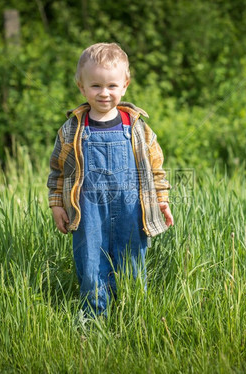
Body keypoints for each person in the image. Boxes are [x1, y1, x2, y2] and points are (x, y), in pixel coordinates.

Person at [47, 42, 174, 317]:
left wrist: (161, 201)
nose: (104, 93)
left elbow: (156, 170)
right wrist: (57, 203)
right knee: (91, 262)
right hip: (88, 209)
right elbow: (58, 170)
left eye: (112, 86)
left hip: (131, 207)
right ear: (81, 87)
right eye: (95, 86)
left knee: (132, 261)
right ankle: (94, 320)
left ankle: (132, 315)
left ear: (125, 85)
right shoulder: (73, 130)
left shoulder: (137, 128)